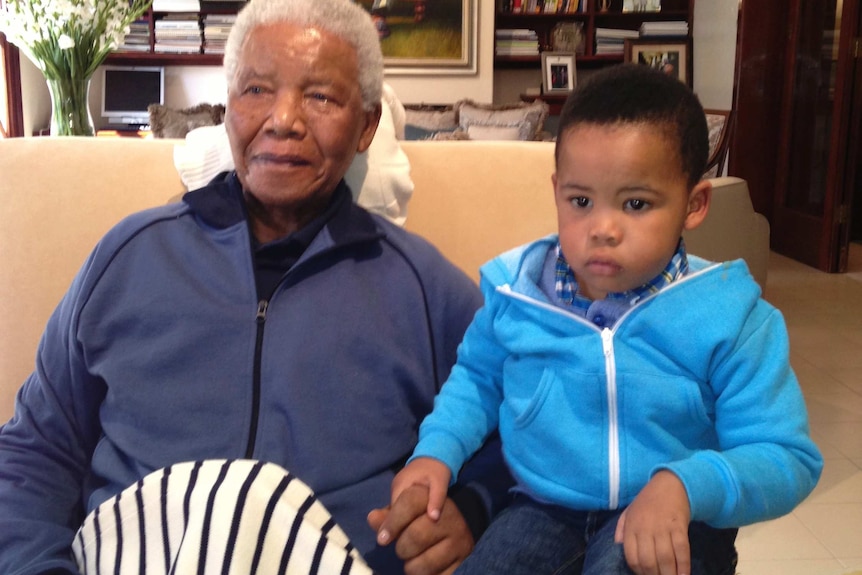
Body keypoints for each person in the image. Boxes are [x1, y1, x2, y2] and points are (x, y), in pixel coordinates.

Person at [0, 0, 511, 573]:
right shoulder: (128, 256)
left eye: (320, 96)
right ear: (228, 111)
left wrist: (476, 503)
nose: (284, 119)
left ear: (367, 125)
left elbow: (526, 425)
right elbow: (34, 451)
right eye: (256, 90)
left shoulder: (426, 288)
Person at [375, 64, 824, 575]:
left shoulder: (733, 318)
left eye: (636, 203)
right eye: (581, 201)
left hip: (675, 518)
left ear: (694, 204)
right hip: (539, 509)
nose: (603, 228)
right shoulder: (515, 294)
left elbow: (785, 456)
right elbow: (476, 382)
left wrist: (685, 485)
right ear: (556, 190)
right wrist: (435, 453)